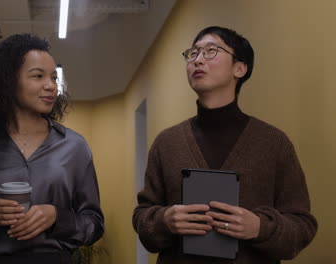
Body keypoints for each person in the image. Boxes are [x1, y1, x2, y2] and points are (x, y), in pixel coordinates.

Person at [132, 26, 317, 263]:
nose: (198, 60)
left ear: (240, 68)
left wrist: (260, 227)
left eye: (211, 51)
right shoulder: (166, 142)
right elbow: (142, 216)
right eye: (193, 53)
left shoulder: (274, 143)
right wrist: (165, 220)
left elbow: (303, 225)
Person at [0, 34, 104, 264]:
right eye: (38, 76)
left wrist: (56, 217)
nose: (50, 85)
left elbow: (94, 225)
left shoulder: (74, 146)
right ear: (8, 81)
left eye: (53, 77)